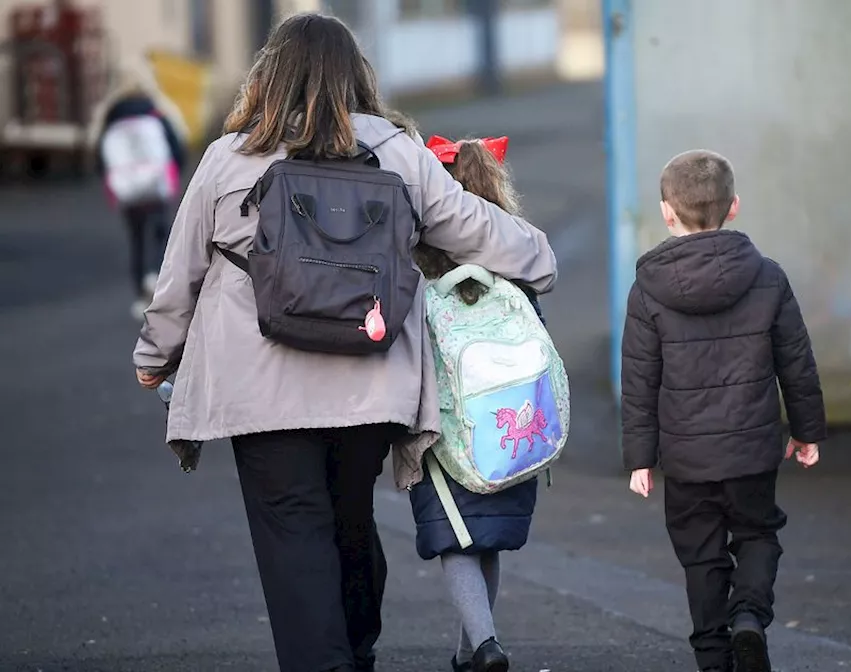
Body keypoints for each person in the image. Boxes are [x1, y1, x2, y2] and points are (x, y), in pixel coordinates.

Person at [131, 14, 557, 672]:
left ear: (268, 75)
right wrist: (540, 259)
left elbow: (180, 271)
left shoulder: (230, 157)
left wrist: (155, 358)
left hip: (259, 390)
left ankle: (329, 660)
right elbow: (470, 224)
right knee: (348, 517)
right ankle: (355, 646)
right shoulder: (395, 151)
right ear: (357, 75)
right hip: (371, 378)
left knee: (293, 531)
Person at [620, 150, 826, 672]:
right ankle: (750, 617)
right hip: (752, 449)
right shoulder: (768, 278)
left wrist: (640, 456)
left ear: (667, 212)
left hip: (687, 458)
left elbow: (640, 378)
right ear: (734, 207)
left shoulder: (649, 290)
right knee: (757, 534)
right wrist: (806, 432)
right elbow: (796, 361)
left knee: (701, 558)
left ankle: (714, 661)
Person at [411, 135, 541, 672]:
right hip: (509, 424)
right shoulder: (517, 260)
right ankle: (472, 651)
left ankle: (484, 646)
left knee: (455, 538)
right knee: (484, 535)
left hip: (440, 427)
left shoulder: (417, 265)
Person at [87, 59, 189, 320]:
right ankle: (154, 277)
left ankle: (139, 294)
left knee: (135, 237)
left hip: (127, 188)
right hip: (156, 183)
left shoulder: (109, 115)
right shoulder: (156, 110)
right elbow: (176, 147)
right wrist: (174, 171)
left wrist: (110, 180)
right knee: (159, 232)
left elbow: (100, 156)